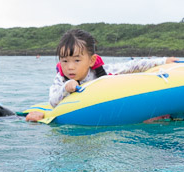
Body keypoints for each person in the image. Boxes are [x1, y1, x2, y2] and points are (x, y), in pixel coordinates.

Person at [26, 28, 178, 121]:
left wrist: (164, 61)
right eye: (64, 61)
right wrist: (66, 87)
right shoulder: (62, 79)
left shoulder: (102, 71)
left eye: (77, 60)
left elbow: (133, 66)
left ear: (91, 60)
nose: (70, 67)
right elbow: (53, 101)